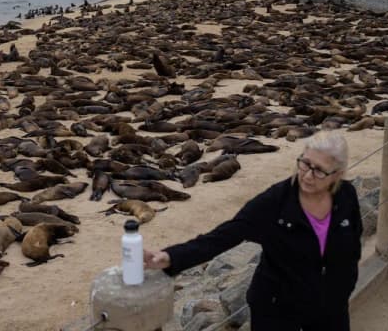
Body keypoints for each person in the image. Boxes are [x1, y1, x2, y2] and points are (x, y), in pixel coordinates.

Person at [144, 132, 362, 331]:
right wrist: (171, 257)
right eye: (305, 163)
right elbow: (224, 236)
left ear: (338, 174)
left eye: (319, 170)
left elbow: (354, 243)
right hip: (277, 310)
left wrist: (345, 285)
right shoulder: (274, 202)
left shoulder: (346, 196)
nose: (307, 175)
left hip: (331, 307)